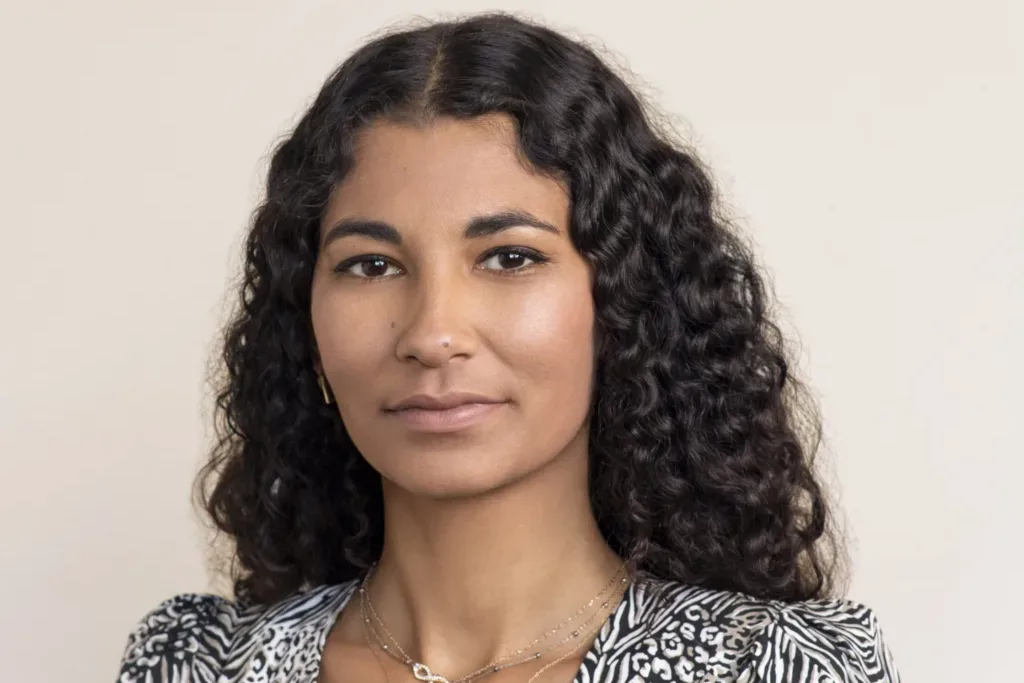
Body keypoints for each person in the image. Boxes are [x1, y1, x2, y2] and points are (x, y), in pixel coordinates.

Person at [116, 12, 899, 683]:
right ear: (307, 329)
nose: (432, 333)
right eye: (372, 264)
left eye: (510, 257)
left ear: (621, 302)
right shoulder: (195, 663)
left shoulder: (773, 667)